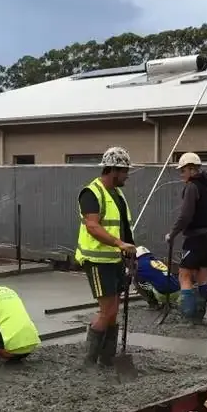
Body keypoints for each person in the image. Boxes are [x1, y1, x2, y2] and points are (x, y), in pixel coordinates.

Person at [75, 146, 137, 367]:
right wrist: (119, 243)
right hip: (97, 260)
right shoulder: (91, 193)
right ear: (114, 170)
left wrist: (132, 253)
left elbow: (123, 228)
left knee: (114, 309)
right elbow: (92, 226)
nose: (127, 175)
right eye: (125, 171)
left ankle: (107, 357)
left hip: (114, 259)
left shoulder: (117, 194)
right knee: (107, 310)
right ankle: (90, 360)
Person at [167, 152, 207, 322]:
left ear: (191, 169)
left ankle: (188, 315)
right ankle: (200, 314)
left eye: (182, 170)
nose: (181, 174)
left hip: (196, 238)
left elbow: (185, 216)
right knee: (202, 275)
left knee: (184, 274)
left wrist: (172, 234)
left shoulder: (192, 187)